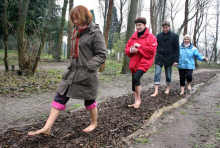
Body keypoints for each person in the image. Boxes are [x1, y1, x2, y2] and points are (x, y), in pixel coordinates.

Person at [28, 5, 107, 136]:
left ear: (85, 17)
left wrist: (88, 66)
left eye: (77, 18)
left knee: (89, 100)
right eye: (73, 19)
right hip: (72, 72)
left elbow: (102, 54)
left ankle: (94, 123)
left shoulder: (95, 33)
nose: (75, 22)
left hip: (87, 74)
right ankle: (47, 127)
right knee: (60, 96)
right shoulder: (76, 31)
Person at [125, 17, 157, 108]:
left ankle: (138, 100)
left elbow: (151, 51)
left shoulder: (151, 37)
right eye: (136, 25)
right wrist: (132, 50)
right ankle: (135, 101)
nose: (138, 27)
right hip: (134, 63)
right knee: (134, 82)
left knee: (136, 77)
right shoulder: (134, 36)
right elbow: (127, 49)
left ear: (144, 25)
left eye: (140, 25)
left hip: (144, 62)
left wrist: (139, 47)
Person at [151, 21, 179, 97]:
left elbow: (177, 49)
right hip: (159, 57)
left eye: (166, 27)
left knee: (168, 75)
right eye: (164, 27)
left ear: (169, 27)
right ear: (162, 27)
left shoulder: (175, 36)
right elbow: (154, 46)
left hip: (169, 58)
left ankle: (168, 88)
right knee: (157, 73)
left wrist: (176, 60)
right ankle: (156, 91)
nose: (165, 29)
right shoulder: (158, 36)